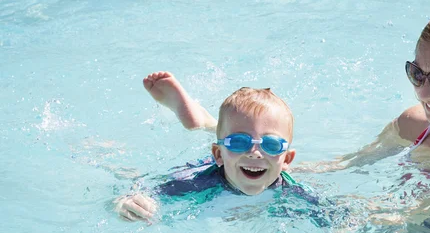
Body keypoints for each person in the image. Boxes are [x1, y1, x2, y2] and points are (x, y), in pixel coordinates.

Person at [156, 9, 430, 185]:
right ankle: (208, 125)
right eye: (417, 74)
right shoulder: (414, 123)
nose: (424, 91)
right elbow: (346, 165)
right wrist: (274, 166)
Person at [115, 74, 312, 222]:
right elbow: (141, 190)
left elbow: (335, 215)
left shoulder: (293, 190)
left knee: (318, 168)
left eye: (271, 145)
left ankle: (206, 123)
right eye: (239, 142)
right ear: (218, 154)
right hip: (210, 164)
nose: (254, 153)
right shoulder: (198, 182)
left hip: (250, 161)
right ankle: (203, 123)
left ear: (287, 159)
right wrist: (126, 202)